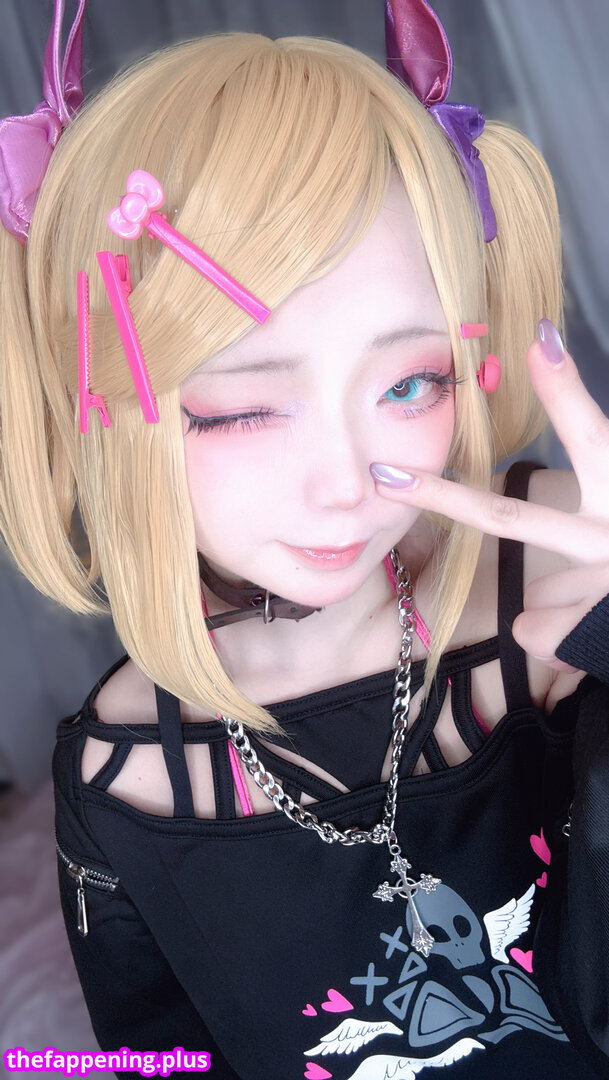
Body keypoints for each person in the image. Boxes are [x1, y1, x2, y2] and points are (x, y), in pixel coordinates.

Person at [1, 1, 608, 1077]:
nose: (344, 487)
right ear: (107, 410)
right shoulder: (120, 783)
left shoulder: (573, 571)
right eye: (241, 408)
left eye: (410, 383)